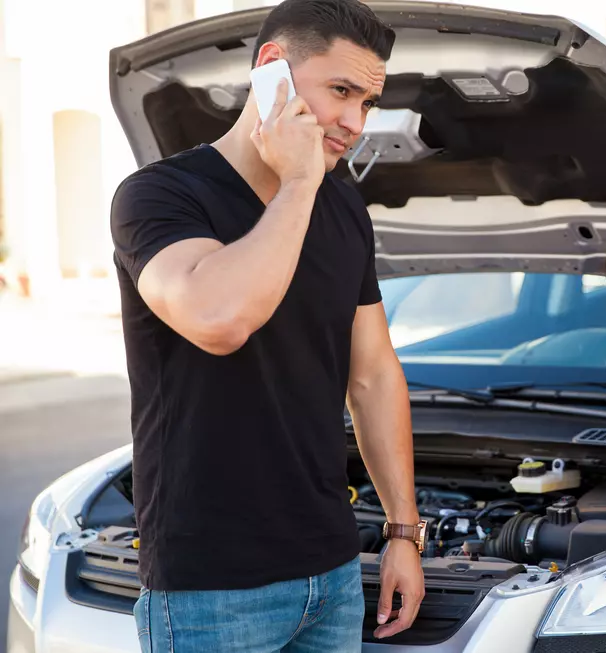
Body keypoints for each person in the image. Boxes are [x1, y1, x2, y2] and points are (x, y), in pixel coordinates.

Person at [109, 1, 424, 650]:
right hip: (210, 587)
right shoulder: (162, 196)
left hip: (333, 572)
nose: (355, 122)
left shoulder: (344, 208)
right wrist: (300, 182)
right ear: (272, 69)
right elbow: (220, 319)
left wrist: (402, 532)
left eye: (368, 101)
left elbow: (372, 375)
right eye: (341, 91)